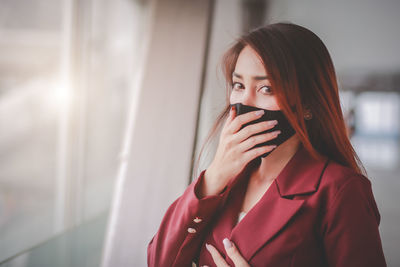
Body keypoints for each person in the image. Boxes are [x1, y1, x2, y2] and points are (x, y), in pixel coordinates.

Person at [147, 22, 386, 267]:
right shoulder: (226, 181)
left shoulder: (340, 190)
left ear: (307, 105)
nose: (245, 101)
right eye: (239, 85)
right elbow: (159, 262)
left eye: (266, 88)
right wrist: (215, 174)